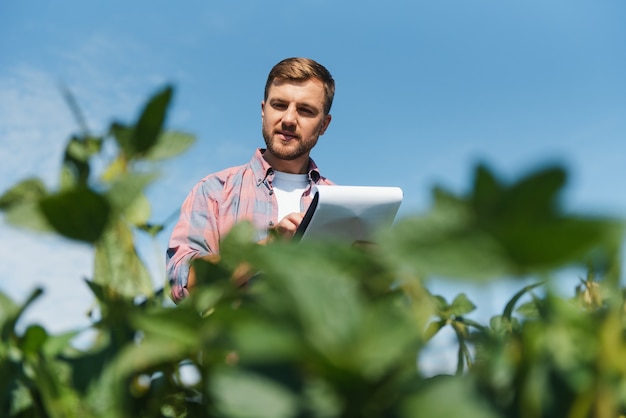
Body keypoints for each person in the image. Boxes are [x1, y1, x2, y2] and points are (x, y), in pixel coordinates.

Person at [166, 57, 336, 303]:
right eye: (279, 105)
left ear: (324, 125)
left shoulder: (341, 204)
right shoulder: (214, 191)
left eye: (305, 110)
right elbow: (181, 282)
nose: (289, 119)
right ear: (263, 110)